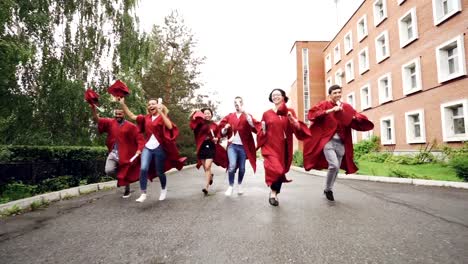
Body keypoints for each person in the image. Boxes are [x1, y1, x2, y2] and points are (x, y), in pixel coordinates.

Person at [303, 85, 374, 202]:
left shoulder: (346, 107)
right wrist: (330, 110)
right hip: (328, 141)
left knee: (336, 169)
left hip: (341, 143)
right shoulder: (324, 104)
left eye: (339, 92)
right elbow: (312, 115)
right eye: (334, 93)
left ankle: (327, 189)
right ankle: (329, 189)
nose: (337, 95)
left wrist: (356, 118)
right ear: (330, 94)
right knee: (334, 165)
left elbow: (356, 116)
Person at [119, 98, 186, 203]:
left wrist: (161, 112)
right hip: (147, 147)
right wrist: (123, 104)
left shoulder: (162, 117)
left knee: (160, 172)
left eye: (153, 104)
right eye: (149, 104)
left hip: (159, 148)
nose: (151, 106)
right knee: (143, 168)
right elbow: (132, 116)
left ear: (158, 106)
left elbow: (169, 126)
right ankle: (143, 193)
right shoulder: (145, 118)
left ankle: (163, 189)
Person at [256, 89, 311, 206]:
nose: (275, 96)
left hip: (284, 146)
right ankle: (273, 192)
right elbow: (261, 130)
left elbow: (297, 128)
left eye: (278, 95)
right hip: (270, 145)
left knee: (281, 169)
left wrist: (293, 121)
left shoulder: (290, 111)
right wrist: (263, 131)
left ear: (283, 97)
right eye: (273, 95)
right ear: (271, 97)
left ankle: (274, 193)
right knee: (277, 169)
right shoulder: (266, 114)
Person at [90, 106, 144, 198]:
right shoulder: (110, 122)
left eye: (120, 114)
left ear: (124, 114)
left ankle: (127, 189)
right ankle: (121, 180)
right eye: (116, 114)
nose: (117, 115)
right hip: (113, 153)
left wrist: (139, 149)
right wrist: (93, 108)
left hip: (125, 155)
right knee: (108, 170)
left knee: (125, 172)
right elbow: (97, 119)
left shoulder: (131, 126)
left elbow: (139, 139)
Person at [219, 96, 259, 196]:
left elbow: (253, 126)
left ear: (242, 103)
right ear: (234, 105)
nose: (237, 104)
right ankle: (230, 186)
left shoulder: (247, 115)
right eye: (235, 103)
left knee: (242, 168)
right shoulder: (229, 116)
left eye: (239, 102)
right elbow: (222, 132)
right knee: (232, 166)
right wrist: (225, 128)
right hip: (232, 146)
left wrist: (244, 112)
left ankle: (239, 184)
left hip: (243, 147)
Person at [190, 108, 228, 195]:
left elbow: (218, 135)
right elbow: (192, 126)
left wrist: (216, 139)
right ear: (203, 115)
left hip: (211, 146)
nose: (207, 115)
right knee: (205, 168)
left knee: (207, 167)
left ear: (211, 114)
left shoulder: (214, 124)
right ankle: (210, 176)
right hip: (201, 146)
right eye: (205, 114)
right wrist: (194, 115)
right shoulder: (200, 123)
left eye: (209, 113)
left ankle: (206, 187)